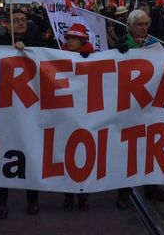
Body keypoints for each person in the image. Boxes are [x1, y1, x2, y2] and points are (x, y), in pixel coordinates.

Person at [115, 9, 164, 209]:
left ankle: (152, 186)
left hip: (151, 106)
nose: (144, 28)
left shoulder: (154, 45)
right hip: (129, 106)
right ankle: (124, 191)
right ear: (130, 26)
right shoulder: (122, 46)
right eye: (140, 24)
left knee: (151, 147)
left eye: (147, 24)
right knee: (128, 149)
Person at [0, 9, 42, 218]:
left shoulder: (38, 44)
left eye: (23, 20)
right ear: (8, 25)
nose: (20, 23)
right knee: (0, 157)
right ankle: (1, 203)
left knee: (30, 156)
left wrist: (26, 50)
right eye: (16, 21)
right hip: (5, 112)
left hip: (31, 111)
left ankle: (33, 201)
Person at [60, 23, 94, 211]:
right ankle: (68, 196)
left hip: (86, 112)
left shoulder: (94, 57)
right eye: (68, 38)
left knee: (84, 156)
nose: (70, 41)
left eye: (74, 38)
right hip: (66, 113)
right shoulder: (59, 54)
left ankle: (83, 196)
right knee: (66, 155)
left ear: (82, 40)